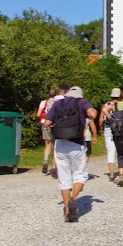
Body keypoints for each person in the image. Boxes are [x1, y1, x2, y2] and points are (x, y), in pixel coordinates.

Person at [43, 84, 97, 222]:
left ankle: (67, 210)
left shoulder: (57, 103)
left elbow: (47, 122)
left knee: (64, 177)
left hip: (60, 143)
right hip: (77, 143)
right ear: (80, 95)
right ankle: (73, 199)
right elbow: (92, 114)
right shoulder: (82, 102)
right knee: (80, 174)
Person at [98, 88, 122, 182]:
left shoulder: (106, 105)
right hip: (120, 130)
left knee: (110, 150)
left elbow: (100, 119)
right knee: (120, 150)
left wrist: (101, 129)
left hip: (108, 129)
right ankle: (121, 172)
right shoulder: (121, 105)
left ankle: (111, 174)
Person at [37, 88, 57, 175]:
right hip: (55, 125)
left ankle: (45, 160)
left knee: (47, 145)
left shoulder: (43, 102)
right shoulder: (58, 102)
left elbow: (38, 114)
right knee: (55, 146)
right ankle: (53, 166)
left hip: (45, 125)